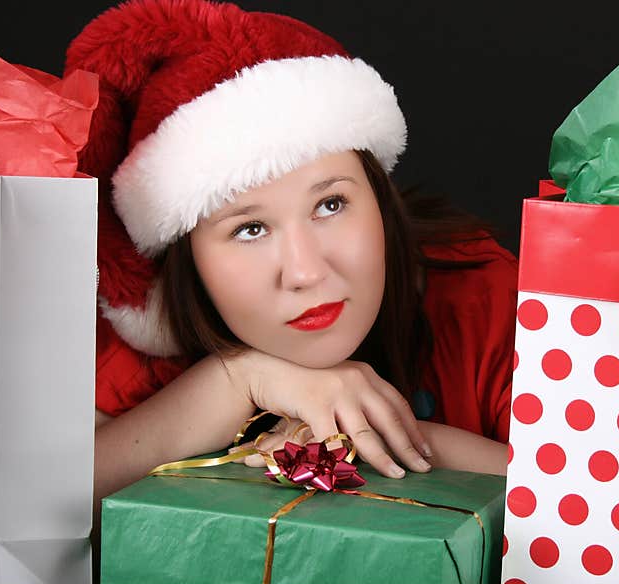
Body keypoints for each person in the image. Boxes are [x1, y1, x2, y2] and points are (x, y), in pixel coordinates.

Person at [67, 0, 517, 529]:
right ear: (185, 261)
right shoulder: (136, 345)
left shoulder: (490, 302)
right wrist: (237, 380)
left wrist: (377, 435)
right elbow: (19, 510)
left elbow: (611, 514)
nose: (305, 272)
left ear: (378, 196)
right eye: (249, 229)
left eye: (330, 205)